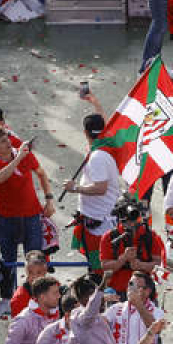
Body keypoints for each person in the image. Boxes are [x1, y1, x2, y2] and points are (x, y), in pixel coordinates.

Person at [0, 126, 54, 298]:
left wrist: (49, 199)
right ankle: (9, 298)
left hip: (32, 216)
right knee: (9, 262)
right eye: (3, 141)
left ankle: (38, 297)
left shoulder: (24, 154)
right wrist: (19, 157)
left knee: (36, 260)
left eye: (7, 139)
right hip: (6, 219)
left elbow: (41, 173)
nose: (8, 143)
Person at [65, 111, 124, 274]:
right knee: (97, 268)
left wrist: (75, 188)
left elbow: (100, 188)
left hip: (100, 224)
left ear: (85, 132)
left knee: (100, 270)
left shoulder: (98, 156)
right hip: (97, 220)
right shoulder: (100, 150)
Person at [99, 195, 165, 296]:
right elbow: (105, 266)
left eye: (134, 219)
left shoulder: (150, 236)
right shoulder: (109, 237)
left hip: (144, 293)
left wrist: (141, 265)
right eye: (128, 220)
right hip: (118, 292)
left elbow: (159, 264)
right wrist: (123, 259)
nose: (131, 223)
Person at [9, 249, 50, 317]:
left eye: (39, 272)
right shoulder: (19, 298)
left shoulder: (53, 290)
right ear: (26, 272)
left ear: (45, 271)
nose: (35, 277)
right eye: (30, 272)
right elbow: (17, 322)